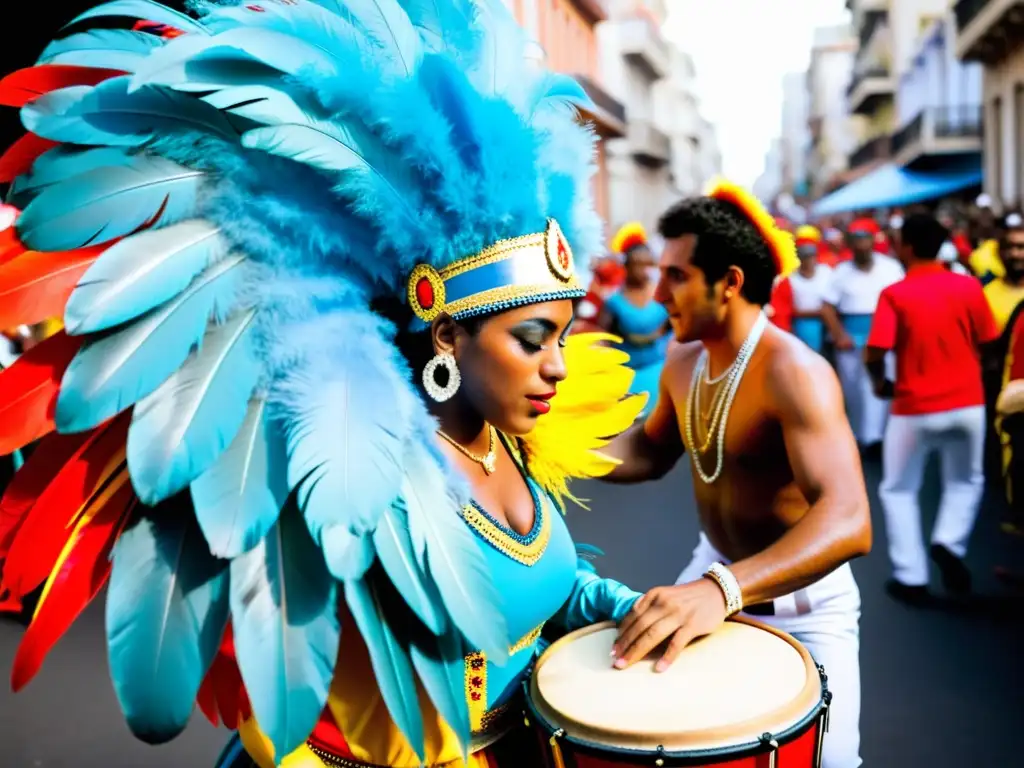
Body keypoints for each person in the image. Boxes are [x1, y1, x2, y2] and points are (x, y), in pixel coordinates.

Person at [0, 3, 648, 767]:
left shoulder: (512, 437)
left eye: (565, 337)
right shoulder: (351, 478)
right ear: (448, 335)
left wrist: (644, 606)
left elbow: (554, 586)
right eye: (534, 340)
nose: (560, 367)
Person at [598, 181, 871, 768]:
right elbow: (648, 453)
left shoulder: (795, 372)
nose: (658, 291)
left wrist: (720, 591)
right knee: (670, 740)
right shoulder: (684, 360)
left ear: (729, 282)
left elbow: (850, 519)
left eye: (677, 276)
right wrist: (547, 447)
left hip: (807, 608)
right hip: (713, 574)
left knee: (831, 761)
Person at [863, 214, 999, 606]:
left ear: (906, 246)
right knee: (967, 481)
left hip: (912, 406)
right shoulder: (969, 287)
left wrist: (878, 382)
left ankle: (911, 576)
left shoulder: (895, 294)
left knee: (899, 490)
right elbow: (989, 339)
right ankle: (948, 541)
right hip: (967, 403)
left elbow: (876, 349)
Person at [820, 217, 905, 456]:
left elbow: (902, 303)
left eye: (865, 239)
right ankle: (862, 438)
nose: (861, 246)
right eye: (856, 240)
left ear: (873, 241)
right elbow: (827, 307)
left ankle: (882, 438)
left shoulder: (891, 268)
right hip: (851, 339)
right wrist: (839, 335)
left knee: (884, 385)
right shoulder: (840, 272)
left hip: (884, 336)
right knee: (855, 390)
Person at [598, 222, 672, 418]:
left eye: (647, 264)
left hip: (661, 372)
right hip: (628, 376)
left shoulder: (663, 294)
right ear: (626, 266)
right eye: (637, 264)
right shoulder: (614, 302)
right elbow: (602, 339)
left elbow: (679, 329)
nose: (643, 270)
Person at [785, 225, 833, 354]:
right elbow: (790, 308)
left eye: (811, 255)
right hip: (803, 326)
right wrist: (820, 313)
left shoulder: (826, 272)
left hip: (828, 325)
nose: (809, 260)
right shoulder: (791, 277)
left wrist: (827, 314)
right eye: (805, 256)